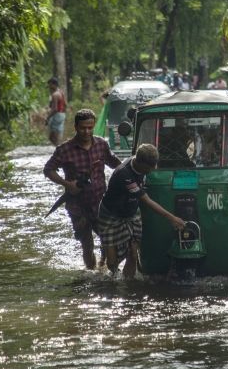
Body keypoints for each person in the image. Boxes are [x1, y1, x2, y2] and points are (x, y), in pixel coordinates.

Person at [44, 109, 122, 270]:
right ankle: (91, 272)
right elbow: (48, 170)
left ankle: (103, 267)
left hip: (101, 204)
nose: (86, 131)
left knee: (108, 240)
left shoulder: (101, 145)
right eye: (82, 128)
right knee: (87, 243)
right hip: (77, 206)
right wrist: (67, 184)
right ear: (75, 127)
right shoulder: (64, 150)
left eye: (90, 127)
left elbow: (116, 164)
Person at [98, 144, 186, 279]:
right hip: (111, 214)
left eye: (154, 165)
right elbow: (147, 201)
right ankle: (111, 270)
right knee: (112, 263)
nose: (153, 170)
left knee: (133, 253)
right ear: (139, 162)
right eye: (149, 168)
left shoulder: (140, 161)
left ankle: (129, 283)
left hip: (132, 212)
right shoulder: (125, 175)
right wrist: (172, 218)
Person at [46, 77, 67, 146]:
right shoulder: (61, 92)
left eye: (49, 85)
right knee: (57, 135)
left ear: (53, 85)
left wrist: (48, 118)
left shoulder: (55, 95)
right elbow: (65, 104)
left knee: (53, 137)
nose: (49, 87)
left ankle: (58, 149)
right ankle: (59, 148)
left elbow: (55, 109)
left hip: (57, 115)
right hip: (62, 114)